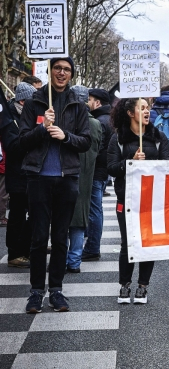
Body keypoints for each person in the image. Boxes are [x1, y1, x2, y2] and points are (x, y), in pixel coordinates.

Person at [20, 57, 91, 313]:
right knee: (39, 238)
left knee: (61, 238)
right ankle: (36, 292)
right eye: (58, 68)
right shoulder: (34, 102)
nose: (62, 73)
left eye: (67, 70)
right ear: (50, 71)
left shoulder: (78, 106)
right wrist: (43, 128)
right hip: (38, 179)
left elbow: (85, 142)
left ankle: (57, 290)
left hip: (67, 179)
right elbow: (21, 142)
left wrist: (65, 136)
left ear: (72, 74)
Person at [107, 97, 169, 304]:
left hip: (151, 199)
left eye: (148, 108)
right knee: (128, 243)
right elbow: (111, 168)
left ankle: (143, 286)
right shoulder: (118, 138)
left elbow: (168, 165)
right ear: (130, 112)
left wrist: (150, 166)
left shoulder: (157, 136)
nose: (147, 111)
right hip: (126, 198)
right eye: (142, 108)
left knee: (148, 242)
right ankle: (124, 285)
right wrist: (131, 163)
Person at [66, 86, 102, 273]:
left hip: (68, 175)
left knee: (63, 221)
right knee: (79, 221)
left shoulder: (67, 121)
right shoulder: (95, 124)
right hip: (87, 175)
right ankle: (74, 261)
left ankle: (64, 260)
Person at [0, 82, 36, 268]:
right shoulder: (9, 119)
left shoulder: (24, 117)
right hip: (18, 175)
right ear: (23, 101)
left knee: (34, 213)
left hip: (30, 174)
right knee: (17, 215)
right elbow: (13, 146)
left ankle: (26, 247)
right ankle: (15, 252)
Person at [81, 88, 114, 262]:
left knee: (94, 209)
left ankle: (92, 247)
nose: (88, 103)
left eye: (90, 100)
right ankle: (90, 241)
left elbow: (96, 147)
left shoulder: (100, 121)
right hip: (103, 170)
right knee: (95, 208)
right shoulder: (110, 118)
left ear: (97, 102)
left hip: (96, 169)